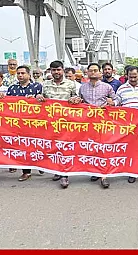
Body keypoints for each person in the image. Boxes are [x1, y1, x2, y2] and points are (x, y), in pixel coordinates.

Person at [35, 61, 79, 189]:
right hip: (50, 122)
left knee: (65, 147)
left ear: (63, 70)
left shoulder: (71, 84)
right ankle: (57, 170)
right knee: (53, 147)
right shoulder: (46, 84)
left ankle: (64, 174)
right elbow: (41, 98)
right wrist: (39, 97)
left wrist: (75, 100)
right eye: (53, 70)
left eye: (58, 70)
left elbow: (78, 99)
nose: (56, 72)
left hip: (66, 122)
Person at [0, 65, 43, 179]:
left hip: (34, 122)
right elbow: (7, 104)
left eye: (23, 73)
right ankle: (26, 171)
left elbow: (44, 101)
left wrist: (39, 97)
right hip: (18, 123)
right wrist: (2, 97)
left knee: (36, 145)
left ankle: (40, 164)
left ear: (29, 74)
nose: (20, 75)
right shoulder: (12, 88)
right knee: (23, 146)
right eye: (18, 73)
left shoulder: (37, 86)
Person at [76, 63, 116, 188]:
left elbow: (117, 100)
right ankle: (94, 171)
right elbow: (80, 101)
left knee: (103, 147)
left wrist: (112, 103)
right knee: (91, 147)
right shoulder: (82, 88)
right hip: (88, 122)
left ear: (100, 73)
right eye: (90, 71)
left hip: (104, 122)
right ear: (87, 73)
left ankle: (104, 175)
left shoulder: (107, 87)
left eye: (95, 70)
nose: (93, 73)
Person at [115, 66, 138, 183]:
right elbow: (117, 101)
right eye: (130, 77)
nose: (133, 79)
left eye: (135, 76)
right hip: (127, 123)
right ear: (126, 76)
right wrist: (112, 103)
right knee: (130, 146)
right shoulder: (121, 88)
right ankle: (132, 171)